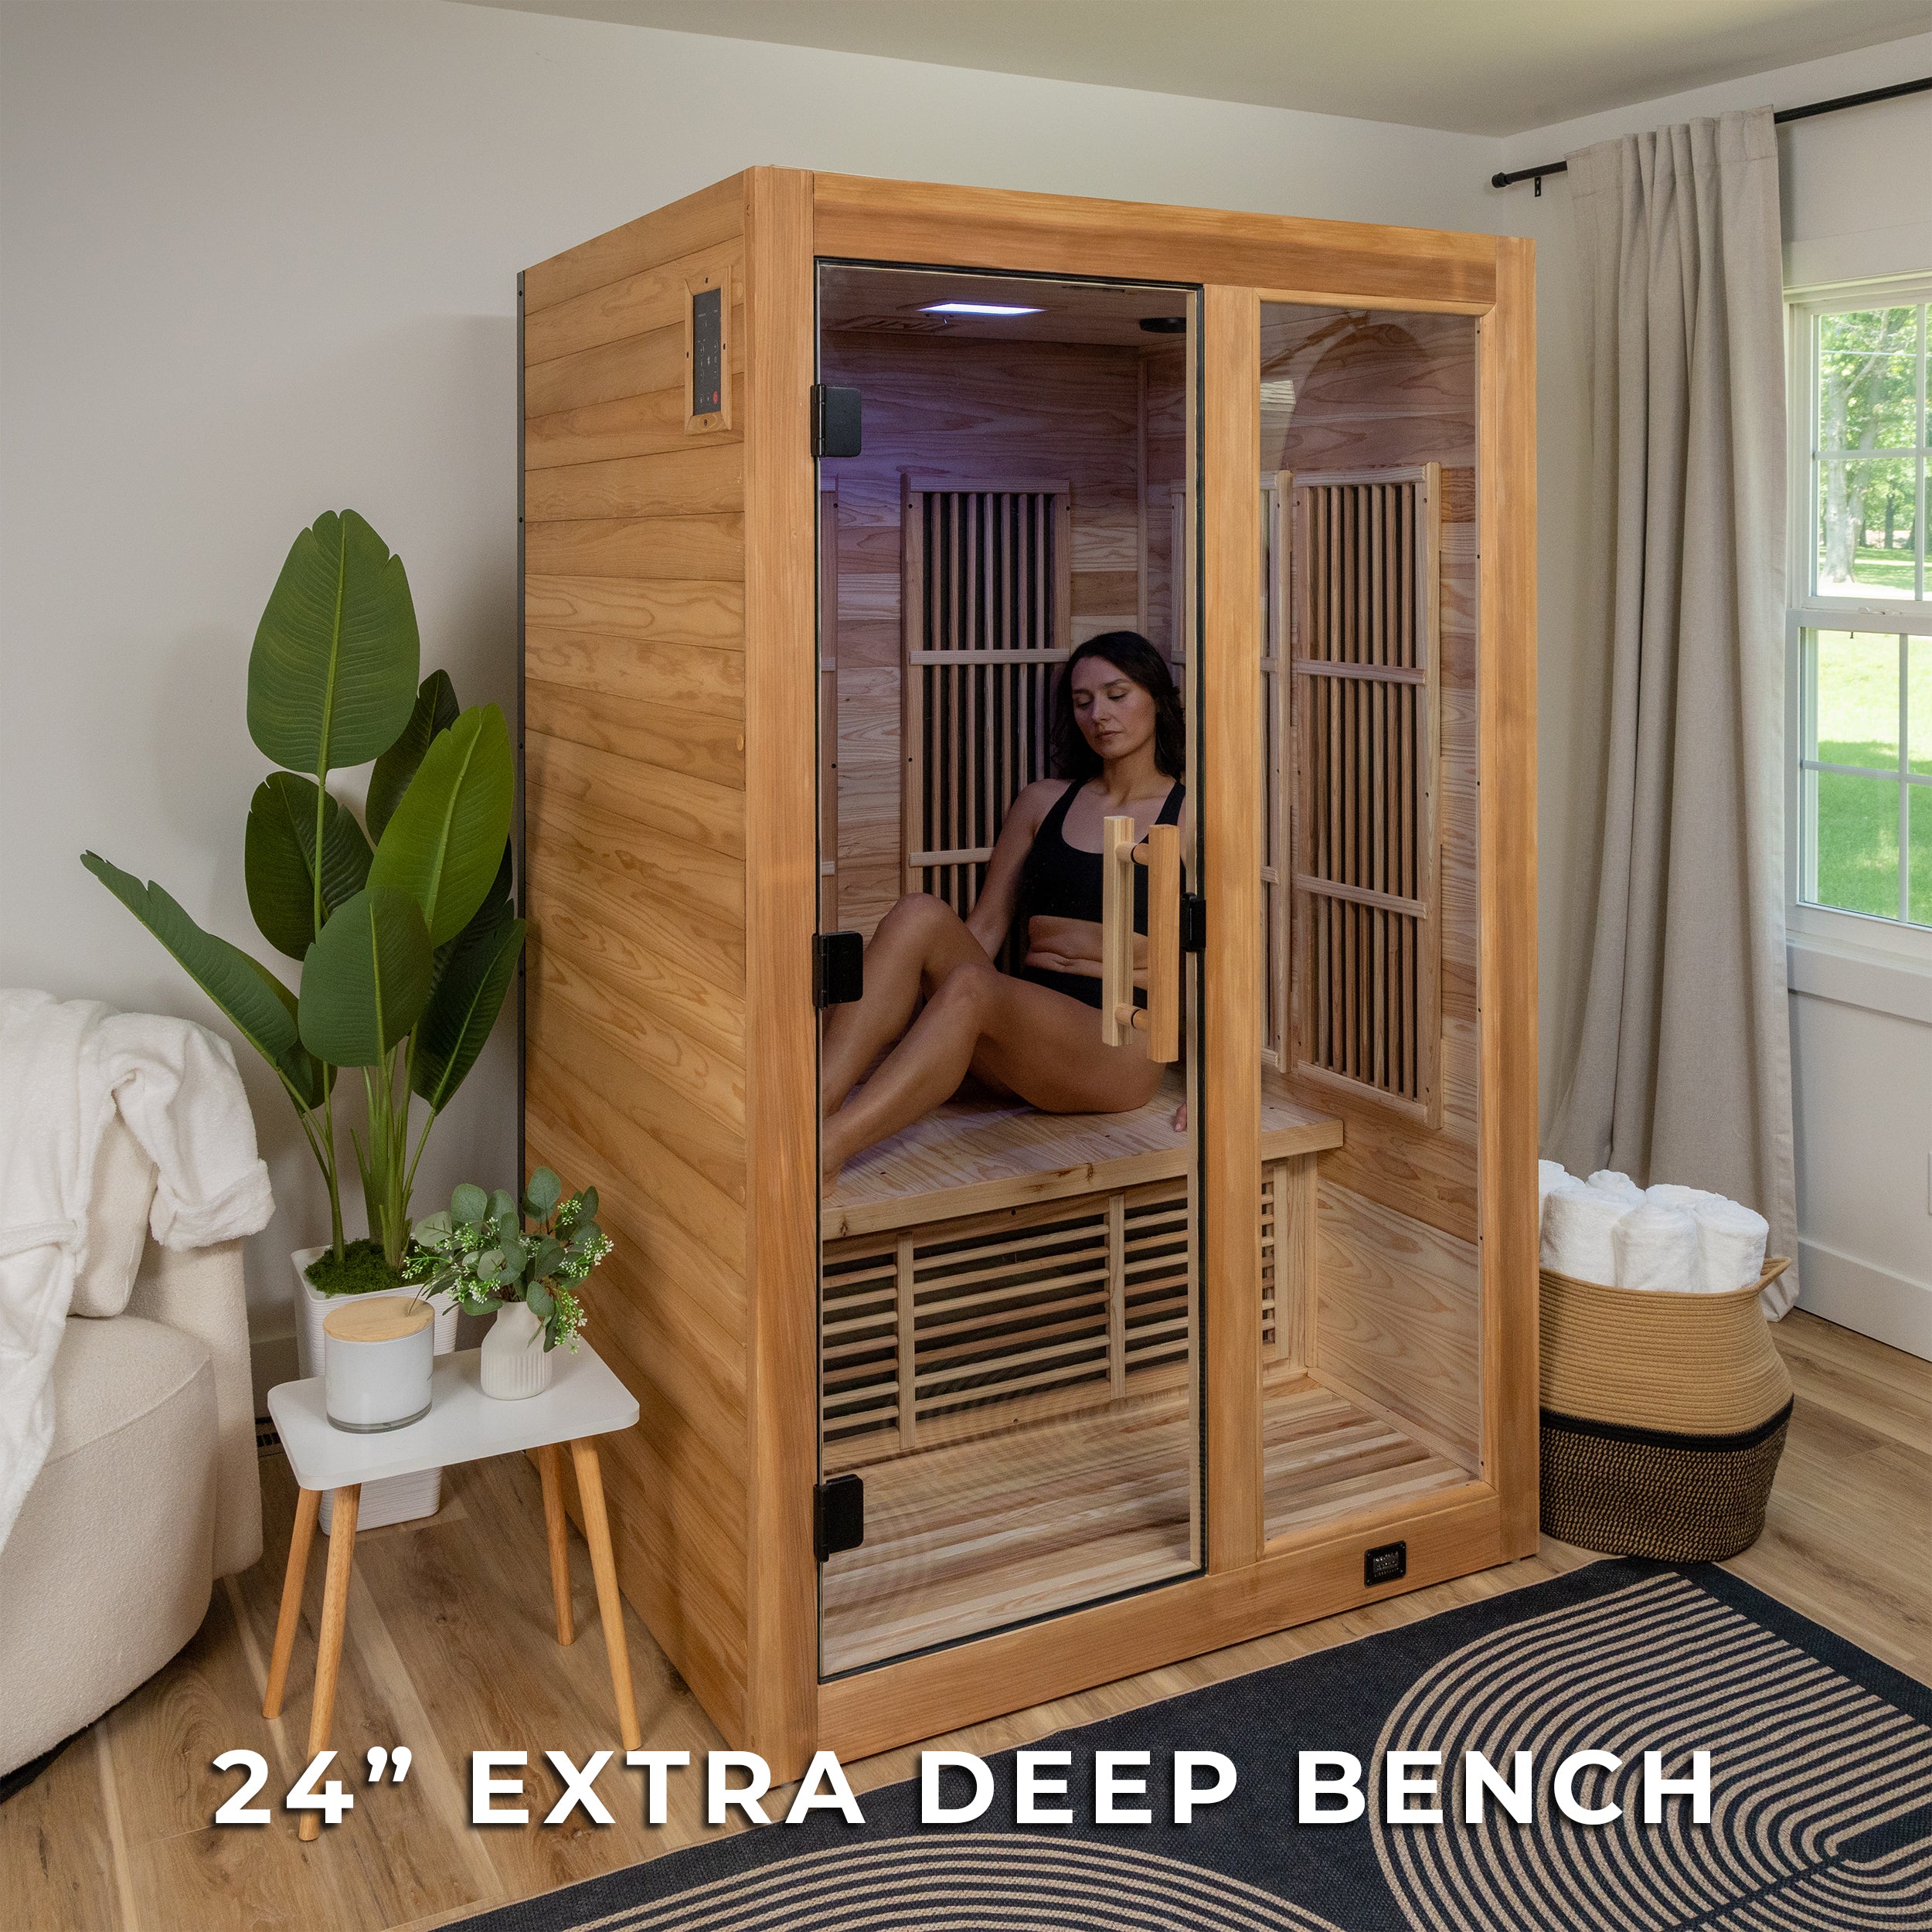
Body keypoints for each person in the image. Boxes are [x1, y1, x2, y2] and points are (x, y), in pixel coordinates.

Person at [821, 631, 1185, 1181]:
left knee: (972, 986)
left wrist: (1218, 1086)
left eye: (1117, 695)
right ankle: (813, 1106)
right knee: (919, 912)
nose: (1099, 715)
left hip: (1118, 1048)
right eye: (1082, 702)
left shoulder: (1188, 813)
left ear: (1156, 698)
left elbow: (1219, 960)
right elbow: (988, 924)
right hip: (1024, 1032)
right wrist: (936, 1012)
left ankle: (823, 1152)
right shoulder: (1043, 801)